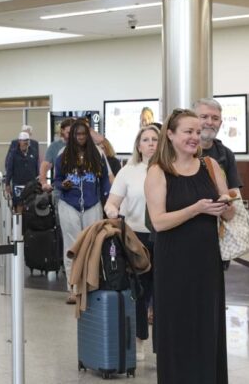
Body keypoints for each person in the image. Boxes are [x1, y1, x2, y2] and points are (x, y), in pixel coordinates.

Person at [144, 109, 232, 383]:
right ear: (170, 135)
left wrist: (226, 203)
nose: (195, 137)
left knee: (208, 325)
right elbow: (159, 222)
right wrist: (196, 209)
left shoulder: (210, 166)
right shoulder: (158, 172)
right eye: (188, 132)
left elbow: (230, 213)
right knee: (177, 327)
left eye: (197, 132)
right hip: (174, 262)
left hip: (207, 262)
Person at [103, 125, 159, 360]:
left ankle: (163, 346)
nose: (151, 143)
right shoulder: (128, 171)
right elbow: (111, 202)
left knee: (163, 291)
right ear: (138, 145)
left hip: (165, 235)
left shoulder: (170, 169)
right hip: (137, 237)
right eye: (146, 139)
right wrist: (112, 211)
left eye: (155, 139)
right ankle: (139, 340)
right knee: (140, 290)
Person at [54, 120, 111, 304]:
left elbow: (105, 181)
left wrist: (108, 201)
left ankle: (89, 286)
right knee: (71, 247)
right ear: (72, 136)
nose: (80, 137)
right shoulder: (63, 154)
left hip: (92, 204)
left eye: (83, 134)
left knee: (92, 246)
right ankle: (73, 287)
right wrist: (63, 185)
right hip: (68, 204)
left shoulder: (97, 153)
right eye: (77, 134)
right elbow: (56, 180)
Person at [195, 97, 242, 196]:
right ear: (194, 120)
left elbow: (234, 191)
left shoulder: (226, 154)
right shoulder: (184, 151)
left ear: (220, 124)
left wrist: (237, 204)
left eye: (215, 118)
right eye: (204, 117)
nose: (210, 122)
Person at [4, 132, 39, 213]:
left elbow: (36, 167)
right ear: (19, 141)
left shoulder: (34, 152)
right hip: (18, 183)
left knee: (31, 203)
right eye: (23, 141)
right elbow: (9, 169)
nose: (25, 143)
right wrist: (7, 183)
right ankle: (19, 220)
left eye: (27, 140)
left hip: (31, 183)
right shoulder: (13, 153)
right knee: (19, 203)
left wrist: (38, 180)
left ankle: (29, 220)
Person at [40, 118, 74, 192]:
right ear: (62, 131)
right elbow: (45, 165)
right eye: (69, 133)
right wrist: (44, 183)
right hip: (59, 191)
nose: (71, 135)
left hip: (77, 190)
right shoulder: (54, 146)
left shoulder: (82, 146)